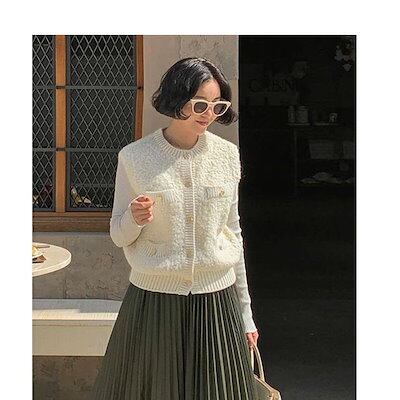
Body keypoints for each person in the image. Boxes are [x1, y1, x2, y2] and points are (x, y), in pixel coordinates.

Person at [90, 57, 259, 399]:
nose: (208, 114)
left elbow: (233, 233)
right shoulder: (135, 157)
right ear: (176, 99)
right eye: (199, 104)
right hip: (154, 302)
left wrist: (246, 313)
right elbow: (118, 234)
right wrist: (134, 219)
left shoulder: (227, 156)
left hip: (217, 303)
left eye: (217, 105)